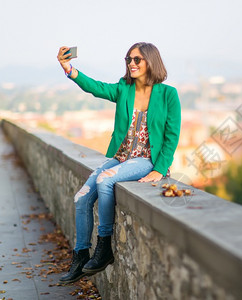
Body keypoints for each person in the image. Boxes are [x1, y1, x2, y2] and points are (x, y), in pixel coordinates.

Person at [56, 42, 181, 284]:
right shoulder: (125, 88)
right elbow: (96, 88)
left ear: (150, 62)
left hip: (147, 160)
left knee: (105, 179)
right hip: (122, 157)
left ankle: (104, 249)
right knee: (81, 197)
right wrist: (68, 68)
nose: (131, 64)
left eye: (137, 60)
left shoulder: (168, 95)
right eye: (128, 59)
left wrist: (159, 169)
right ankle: (81, 256)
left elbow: (171, 135)